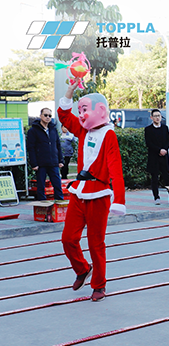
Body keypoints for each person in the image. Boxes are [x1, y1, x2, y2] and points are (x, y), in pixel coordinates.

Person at [58, 80, 126, 302]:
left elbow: (115, 168)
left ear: (101, 111)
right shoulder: (83, 130)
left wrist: (119, 199)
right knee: (68, 238)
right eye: (80, 110)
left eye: (84, 110)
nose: (81, 114)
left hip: (99, 194)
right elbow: (64, 116)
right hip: (79, 191)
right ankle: (82, 268)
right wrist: (70, 89)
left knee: (96, 243)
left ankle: (99, 284)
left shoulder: (109, 135)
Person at [26, 108, 64, 201]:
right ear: (40, 116)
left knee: (57, 185)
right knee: (41, 186)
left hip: (53, 162)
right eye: (45, 115)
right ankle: (42, 207)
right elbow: (31, 148)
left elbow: (58, 145)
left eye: (50, 116)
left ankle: (59, 204)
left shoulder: (53, 130)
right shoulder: (33, 130)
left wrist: (60, 160)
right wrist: (34, 163)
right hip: (41, 163)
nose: (48, 117)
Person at [144, 109, 169, 204]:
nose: (157, 117)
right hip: (154, 157)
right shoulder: (148, 129)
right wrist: (159, 150)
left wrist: (164, 149)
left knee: (167, 177)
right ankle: (156, 197)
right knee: (154, 178)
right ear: (151, 118)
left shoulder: (165, 128)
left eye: (159, 116)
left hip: (164, 157)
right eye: (155, 116)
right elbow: (149, 143)